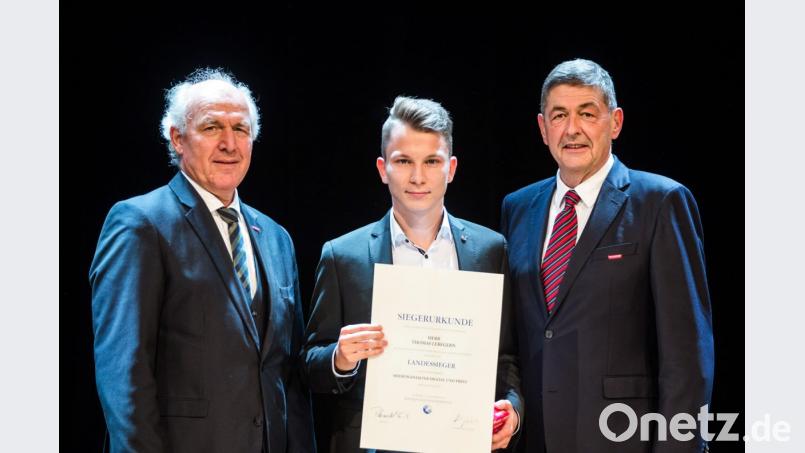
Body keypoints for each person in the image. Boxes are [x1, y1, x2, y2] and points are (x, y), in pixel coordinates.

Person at [89, 68, 316, 453]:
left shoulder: (277, 238)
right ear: (178, 138)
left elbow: (286, 373)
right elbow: (124, 374)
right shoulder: (140, 223)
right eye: (212, 128)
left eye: (241, 130)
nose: (229, 143)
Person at [501, 58, 714, 452]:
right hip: (537, 439)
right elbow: (514, 338)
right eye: (559, 115)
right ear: (542, 128)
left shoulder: (660, 202)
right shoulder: (518, 207)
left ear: (614, 122)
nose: (573, 129)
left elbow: (687, 357)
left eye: (588, 113)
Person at [303, 96, 523, 452]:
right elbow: (310, 366)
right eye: (403, 161)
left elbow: (507, 356)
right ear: (382, 168)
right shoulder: (342, 256)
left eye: (431, 161)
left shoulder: (490, 250)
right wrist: (340, 358)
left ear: (451, 168)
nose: (418, 177)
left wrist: (512, 410)